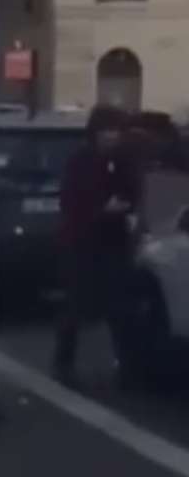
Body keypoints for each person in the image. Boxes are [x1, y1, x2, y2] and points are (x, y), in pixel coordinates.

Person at [52, 104, 143, 385]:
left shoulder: (122, 160)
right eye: (106, 131)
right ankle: (63, 364)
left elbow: (134, 189)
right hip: (83, 241)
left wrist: (126, 207)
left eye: (115, 131)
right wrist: (102, 209)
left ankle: (128, 366)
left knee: (121, 307)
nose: (111, 137)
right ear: (95, 133)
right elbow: (71, 200)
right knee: (76, 306)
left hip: (114, 241)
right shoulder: (80, 160)